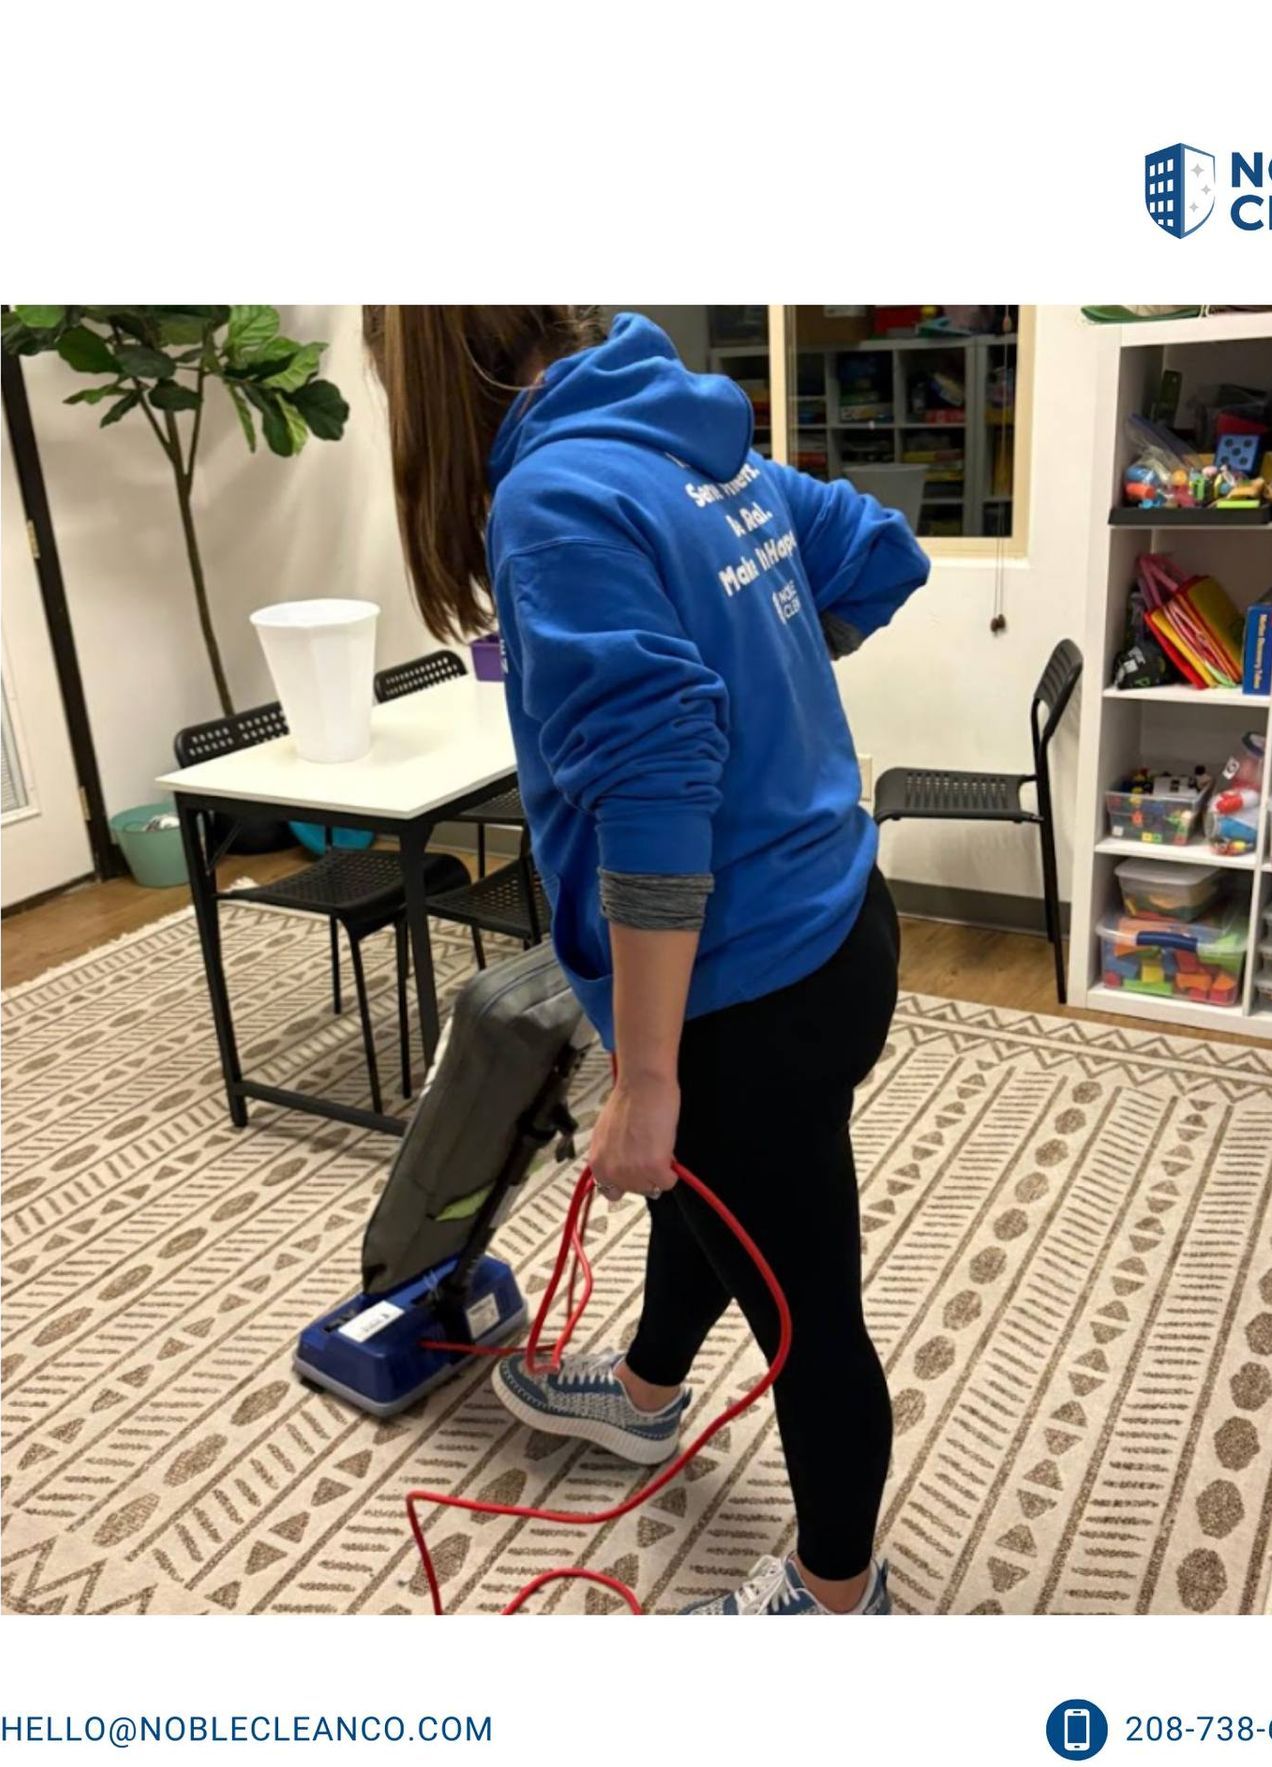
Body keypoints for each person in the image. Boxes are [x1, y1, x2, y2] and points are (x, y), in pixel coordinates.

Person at [365, 307, 929, 1614]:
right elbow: (880, 556)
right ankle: (639, 1397)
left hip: (749, 990)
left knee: (807, 1316)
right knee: (710, 1198)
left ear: (434, 369)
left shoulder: (555, 494)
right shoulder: (690, 437)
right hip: (841, 925)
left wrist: (650, 1077)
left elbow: (658, 787)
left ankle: (837, 1595)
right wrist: (775, 656)